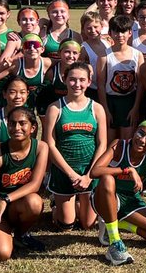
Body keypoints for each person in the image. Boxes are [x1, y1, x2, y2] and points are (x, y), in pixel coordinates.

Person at [92, 120, 146, 264]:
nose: (142, 140)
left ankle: (118, 224)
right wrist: (127, 170)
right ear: (135, 131)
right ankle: (115, 243)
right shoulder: (119, 145)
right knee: (107, 179)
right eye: (141, 133)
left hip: (131, 200)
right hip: (105, 197)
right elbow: (95, 171)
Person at [0, 107, 49, 262]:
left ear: (33, 128)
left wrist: (5, 199)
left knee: (35, 202)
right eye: (12, 123)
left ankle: (21, 235)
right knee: (2, 254)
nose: (17, 128)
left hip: (13, 203)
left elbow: (35, 185)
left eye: (22, 123)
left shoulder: (41, 148)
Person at [44, 61, 108, 232]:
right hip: (65, 171)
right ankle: (57, 206)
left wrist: (89, 175)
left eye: (82, 80)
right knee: (66, 225)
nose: (77, 84)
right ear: (65, 80)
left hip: (88, 171)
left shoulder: (97, 108)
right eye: (72, 80)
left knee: (88, 225)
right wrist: (71, 175)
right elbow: (49, 144)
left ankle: (79, 201)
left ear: (89, 82)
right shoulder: (55, 108)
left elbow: (102, 144)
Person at [99, 14, 143, 139]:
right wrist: (105, 110)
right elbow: (101, 85)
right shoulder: (104, 56)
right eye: (116, 32)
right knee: (110, 141)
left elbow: (140, 84)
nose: (120, 35)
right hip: (110, 101)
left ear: (130, 33)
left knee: (127, 140)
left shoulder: (137, 55)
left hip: (129, 101)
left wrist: (135, 108)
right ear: (110, 33)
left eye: (123, 32)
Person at [0, 75, 33, 153]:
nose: (18, 96)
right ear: (4, 94)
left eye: (22, 92)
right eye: (12, 92)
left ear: (27, 94)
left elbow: (30, 150)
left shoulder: (30, 118)